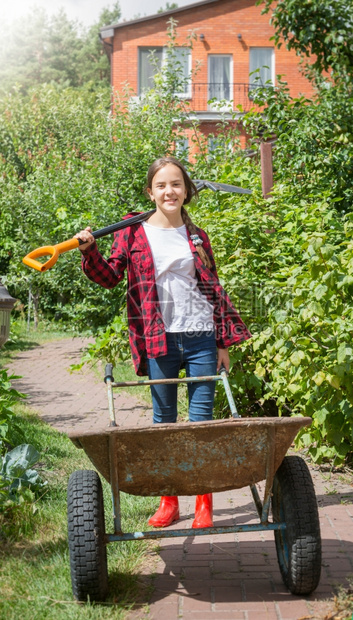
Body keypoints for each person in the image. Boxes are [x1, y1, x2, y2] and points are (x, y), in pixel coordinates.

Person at [74, 156, 251, 529]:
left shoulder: (198, 235)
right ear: (150, 191)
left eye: (176, 184)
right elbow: (109, 277)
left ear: (186, 191)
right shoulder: (132, 232)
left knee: (202, 424)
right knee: (163, 424)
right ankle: (168, 502)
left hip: (202, 335)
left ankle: (204, 503)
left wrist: (222, 343)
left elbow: (212, 290)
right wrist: (89, 251)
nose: (169, 191)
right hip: (156, 339)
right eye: (161, 185)